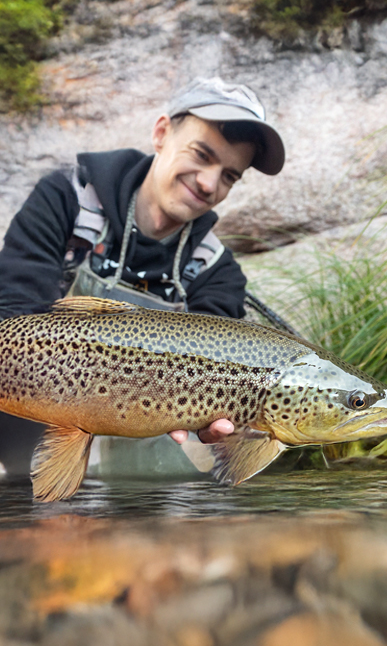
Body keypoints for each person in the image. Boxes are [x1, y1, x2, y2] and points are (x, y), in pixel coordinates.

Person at [0, 77, 285, 474]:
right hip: (25, 420)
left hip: (142, 458)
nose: (208, 183)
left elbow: (223, 386)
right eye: (202, 155)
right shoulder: (68, 199)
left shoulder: (217, 272)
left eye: (229, 176)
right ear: (162, 133)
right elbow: (12, 315)